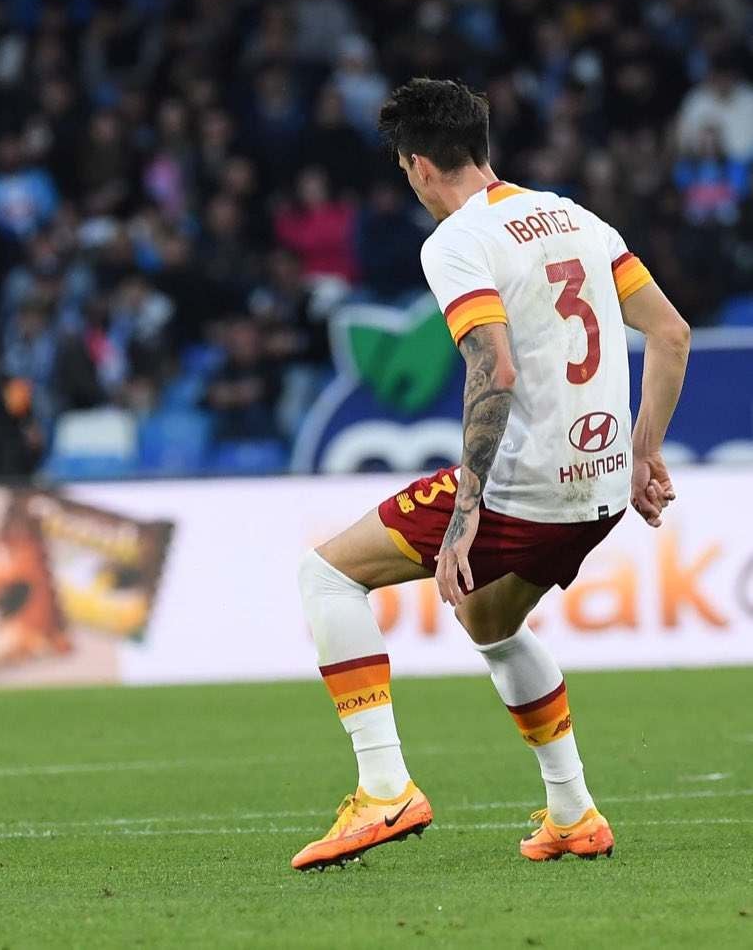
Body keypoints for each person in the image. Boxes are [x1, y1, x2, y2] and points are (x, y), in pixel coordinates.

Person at [290, 80, 690, 870]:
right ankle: (573, 814)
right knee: (489, 623)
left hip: (525, 487)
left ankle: (383, 788)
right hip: (601, 487)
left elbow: (493, 367)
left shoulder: (454, 242)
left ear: (417, 166)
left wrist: (467, 508)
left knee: (325, 578)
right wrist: (643, 452)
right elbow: (670, 334)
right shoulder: (578, 218)